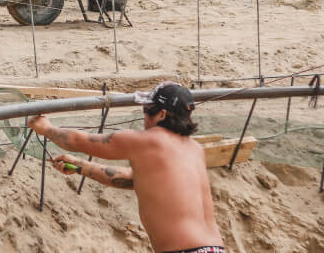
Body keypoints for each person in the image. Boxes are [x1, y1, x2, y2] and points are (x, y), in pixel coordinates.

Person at [27, 82, 224, 253]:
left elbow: (79, 141)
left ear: (162, 113)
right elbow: (134, 179)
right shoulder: (194, 149)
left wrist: (46, 128)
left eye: (147, 110)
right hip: (214, 248)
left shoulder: (148, 141)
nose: (144, 117)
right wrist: (80, 166)